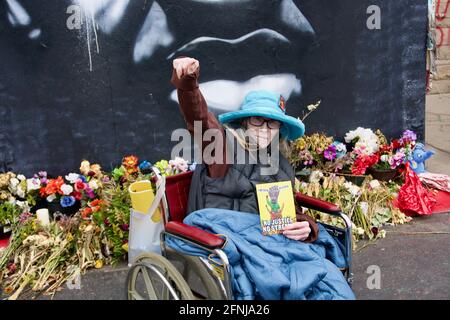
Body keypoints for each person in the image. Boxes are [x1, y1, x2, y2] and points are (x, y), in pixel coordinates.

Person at [171, 57, 318, 242]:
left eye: (272, 123)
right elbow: (199, 119)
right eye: (257, 120)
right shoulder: (223, 148)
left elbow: (287, 216)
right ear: (244, 122)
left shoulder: (282, 166)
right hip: (227, 241)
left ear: (280, 128)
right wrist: (188, 83)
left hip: (270, 242)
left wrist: (304, 226)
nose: (265, 129)